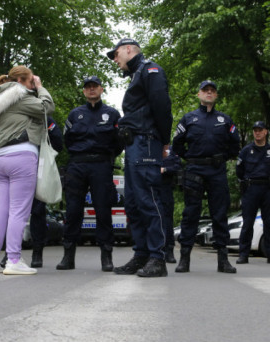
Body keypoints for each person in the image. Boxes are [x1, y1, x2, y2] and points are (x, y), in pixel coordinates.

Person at [108, 38, 173, 278]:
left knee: (148, 199)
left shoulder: (150, 70)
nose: (115, 60)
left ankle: (158, 257)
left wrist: (164, 141)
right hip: (135, 143)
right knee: (133, 203)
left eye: (116, 55)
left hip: (146, 142)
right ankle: (142, 254)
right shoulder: (137, 75)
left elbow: (162, 106)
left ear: (128, 49)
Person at [0, 66, 54, 275]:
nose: (33, 85)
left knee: (1, 210)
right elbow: (47, 107)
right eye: (30, 81)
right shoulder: (19, 96)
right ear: (22, 80)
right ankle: (13, 259)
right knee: (19, 211)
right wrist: (40, 87)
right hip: (21, 155)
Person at [172, 80, 240, 274]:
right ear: (198, 94)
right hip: (194, 171)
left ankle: (223, 260)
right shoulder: (188, 119)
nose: (209, 93)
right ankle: (184, 259)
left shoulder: (225, 120)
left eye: (212, 91)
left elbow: (234, 145)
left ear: (216, 95)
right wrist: (191, 159)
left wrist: (222, 158)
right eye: (205, 90)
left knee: (219, 214)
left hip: (217, 171)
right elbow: (177, 145)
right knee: (190, 214)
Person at [56, 76, 122, 272]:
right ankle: (68, 256)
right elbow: (67, 140)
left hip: (101, 165)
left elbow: (119, 142)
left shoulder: (112, 114)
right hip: (78, 164)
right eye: (88, 87)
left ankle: (106, 256)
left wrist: (107, 157)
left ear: (102, 89)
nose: (91, 90)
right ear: (84, 91)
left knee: (103, 210)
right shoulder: (75, 114)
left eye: (95, 86)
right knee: (73, 210)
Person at [235, 121, 270, 265]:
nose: (257, 132)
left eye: (260, 130)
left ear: (266, 132)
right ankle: (243, 254)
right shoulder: (246, 151)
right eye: (255, 130)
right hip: (251, 189)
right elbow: (239, 170)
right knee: (247, 222)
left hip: (268, 189)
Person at [27, 116, 64, 268]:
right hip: (16, 167)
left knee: (37, 211)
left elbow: (58, 143)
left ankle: (37, 252)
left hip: (38, 168)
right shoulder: (14, 114)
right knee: (14, 211)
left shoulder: (43, 118)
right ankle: (11, 252)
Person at [161, 148, 181, 264]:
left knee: (168, 222)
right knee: (154, 221)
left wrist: (165, 169)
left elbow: (178, 167)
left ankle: (169, 251)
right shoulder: (152, 147)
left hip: (166, 190)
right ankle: (155, 251)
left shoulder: (173, 151)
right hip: (153, 189)